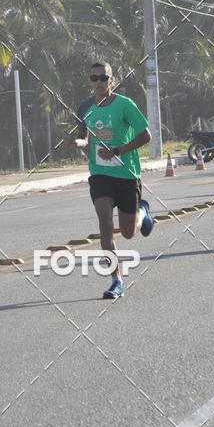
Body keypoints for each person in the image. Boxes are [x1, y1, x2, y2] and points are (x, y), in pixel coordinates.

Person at [74, 61, 154, 299]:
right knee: (105, 224)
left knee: (128, 233)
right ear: (89, 81)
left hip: (126, 174)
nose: (98, 82)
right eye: (94, 78)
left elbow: (146, 135)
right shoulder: (85, 107)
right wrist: (78, 143)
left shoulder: (125, 105)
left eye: (103, 78)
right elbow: (85, 139)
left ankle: (142, 211)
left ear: (112, 80)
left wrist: (118, 150)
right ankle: (116, 280)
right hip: (100, 175)